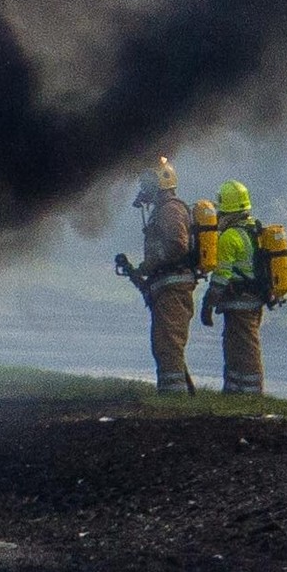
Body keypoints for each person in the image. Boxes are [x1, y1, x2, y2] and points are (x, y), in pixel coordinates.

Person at [114, 157, 197, 394]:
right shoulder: (162, 210)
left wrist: (150, 264)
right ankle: (176, 391)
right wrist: (142, 270)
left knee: (168, 341)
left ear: (160, 182)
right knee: (165, 340)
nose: (144, 189)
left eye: (148, 183)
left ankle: (174, 394)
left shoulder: (171, 209)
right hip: (165, 284)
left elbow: (177, 245)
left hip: (172, 285)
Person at [197, 179, 279, 396]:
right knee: (235, 346)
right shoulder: (256, 230)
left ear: (225, 209)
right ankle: (234, 392)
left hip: (239, 301)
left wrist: (208, 303)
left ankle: (251, 394)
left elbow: (221, 276)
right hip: (254, 300)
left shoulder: (229, 238)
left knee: (244, 348)